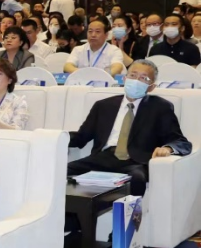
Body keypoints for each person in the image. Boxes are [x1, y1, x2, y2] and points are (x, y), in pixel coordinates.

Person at [67, 59, 191, 202]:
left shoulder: (160, 108)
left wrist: (168, 148)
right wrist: (58, 137)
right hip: (102, 158)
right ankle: (71, 215)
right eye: (133, 75)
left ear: (151, 87)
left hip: (135, 162)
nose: (136, 81)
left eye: (144, 78)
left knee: (137, 178)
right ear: (125, 79)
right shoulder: (103, 106)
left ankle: (131, 215)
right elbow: (81, 137)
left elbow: (181, 142)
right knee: (62, 170)